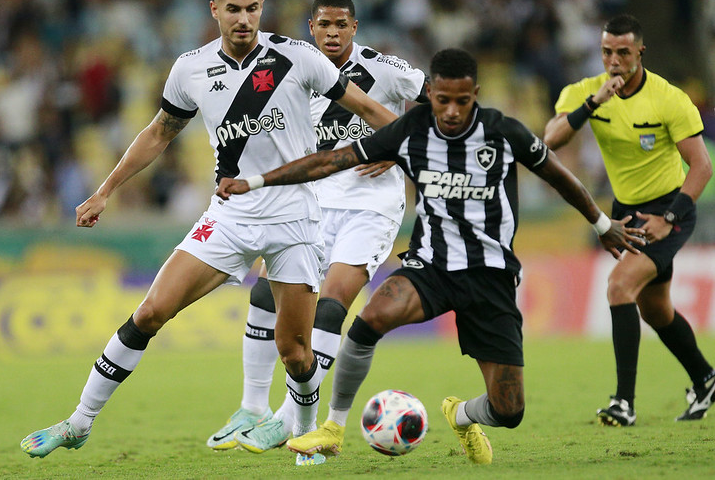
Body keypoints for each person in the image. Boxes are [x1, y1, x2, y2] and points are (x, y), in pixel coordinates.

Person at [19, 0, 402, 462]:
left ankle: (308, 436)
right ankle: (78, 422)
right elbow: (158, 132)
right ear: (214, 10)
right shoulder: (191, 68)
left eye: (252, 9)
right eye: (233, 10)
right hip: (230, 216)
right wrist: (106, 189)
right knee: (151, 311)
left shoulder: (298, 57)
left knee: (296, 352)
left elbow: (367, 108)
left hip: (296, 221)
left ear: (261, 8)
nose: (243, 19)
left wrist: (398, 147)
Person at [216, 48, 644, 464]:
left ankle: (459, 416)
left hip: (490, 276)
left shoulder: (502, 131)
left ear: (475, 93)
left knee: (508, 411)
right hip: (430, 267)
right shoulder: (411, 130)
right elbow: (331, 161)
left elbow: (558, 175)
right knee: (369, 321)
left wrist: (602, 224)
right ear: (431, 94)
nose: (453, 111)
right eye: (443, 100)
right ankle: (333, 426)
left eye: (462, 101)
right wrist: (254, 182)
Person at [206, 0, 427, 458]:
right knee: (265, 292)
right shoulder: (292, 69)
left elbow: (442, 103)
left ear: (354, 27)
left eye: (340, 24)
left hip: (370, 210)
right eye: (323, 24)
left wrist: (399, 146)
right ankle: (251, 407)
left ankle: (291, 418)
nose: (331, 32)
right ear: (311, 28)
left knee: (330, 305)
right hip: (312, 203)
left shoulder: (385, 69)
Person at [544, 14, 714, 426]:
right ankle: (706, 379)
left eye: (623, 52)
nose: (614, 61)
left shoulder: (668, 98)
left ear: (640, 51)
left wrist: (670, 218)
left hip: (670, 207)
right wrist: (593, 103)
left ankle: (624, 402)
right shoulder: (585, 92)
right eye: (607, 52)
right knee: (655, 310)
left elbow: (701, 167)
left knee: (619, 287)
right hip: (626, 209)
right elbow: (550, 139)